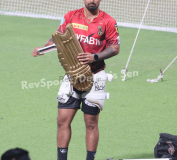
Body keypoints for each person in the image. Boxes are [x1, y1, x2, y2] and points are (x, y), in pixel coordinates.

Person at [32, 0, 120, 160]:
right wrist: (43, 48)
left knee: (91, 123)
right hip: (72, 75)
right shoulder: (71, 16)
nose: (92, 0)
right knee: (62, 120)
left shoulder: (108, 21)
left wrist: (95, 57)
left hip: (96, 75)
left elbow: (115, 48)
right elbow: (57, 39)